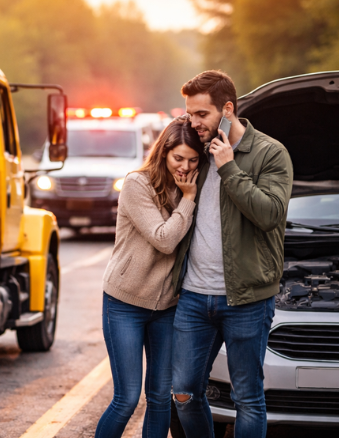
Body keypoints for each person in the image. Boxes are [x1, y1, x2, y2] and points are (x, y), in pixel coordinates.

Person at [170, 70, 293, 438]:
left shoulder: (271, 153)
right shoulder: (198, 149)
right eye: (189, 114)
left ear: (227, 109)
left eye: (201, 115)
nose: (194, 123)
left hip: (247, 299)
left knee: (247, 399)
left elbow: (269, 214)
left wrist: (229, 167)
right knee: (183, 392)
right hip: (193, 296)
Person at [95, 116, 203, 438]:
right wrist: (188, 200)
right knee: (126, 398)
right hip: (125, 302)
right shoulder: (137, 184)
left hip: (168, 307)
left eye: (193, 160)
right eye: (178, 158)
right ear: (164, 152)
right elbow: (164, 239)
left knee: (159, 398)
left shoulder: (191, 187)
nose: (184, 166)